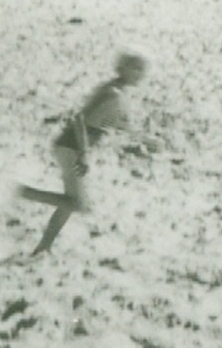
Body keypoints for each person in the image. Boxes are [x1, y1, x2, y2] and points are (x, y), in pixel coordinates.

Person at [19, 52, 147, 254]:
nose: (141, 73)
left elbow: (117, 126)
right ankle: (21, 192)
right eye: (136, 68)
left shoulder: (118, 92)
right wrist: (84, 153)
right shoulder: (113, 93)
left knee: (69, 203)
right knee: (79, 204)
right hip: (72, 147)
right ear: (123, 68)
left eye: (142, 68)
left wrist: (146, 140)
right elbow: (79, 119)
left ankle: (44, 247)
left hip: (72, 146)